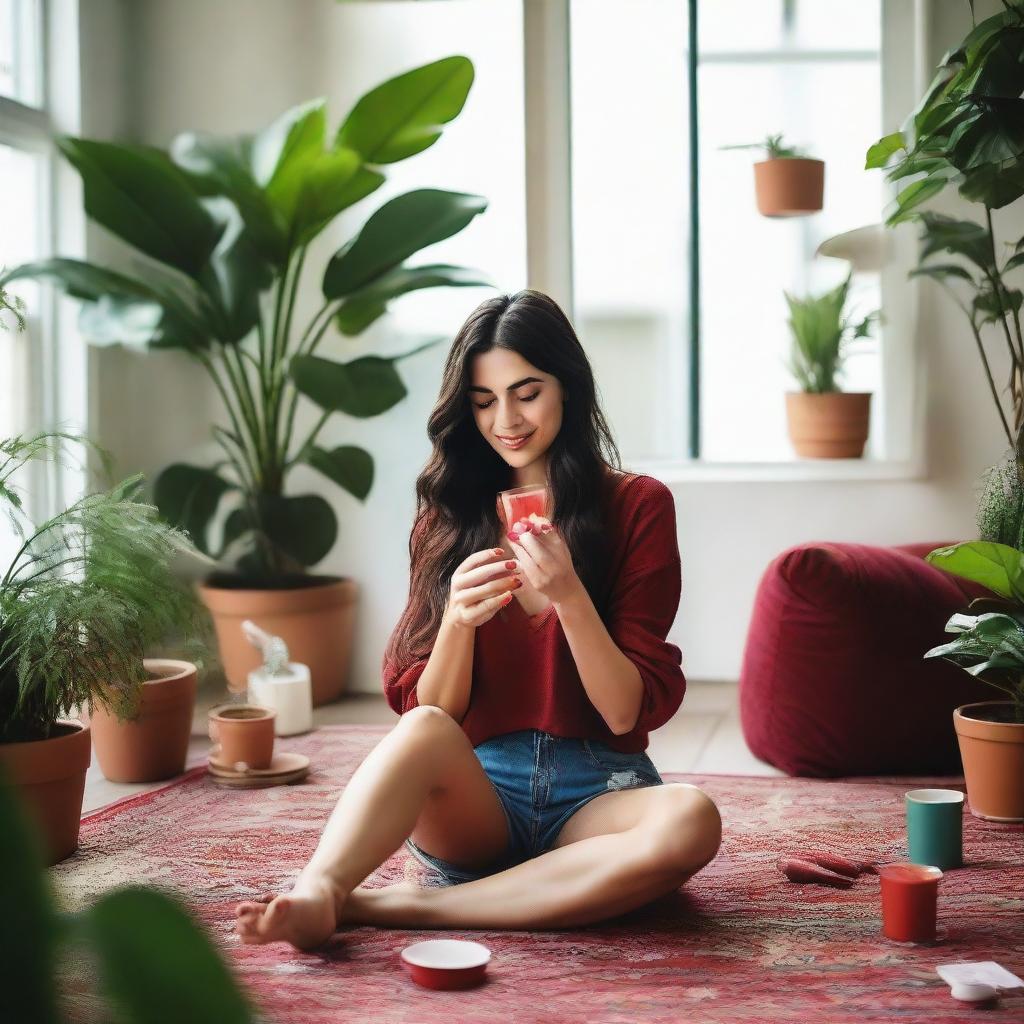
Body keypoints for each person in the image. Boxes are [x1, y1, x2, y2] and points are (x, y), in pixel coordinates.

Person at [235, 289, 722, 949]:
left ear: (568, 390)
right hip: (479, 798)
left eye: (527, 393)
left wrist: (571, 597)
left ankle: (398, 908)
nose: (506, 421)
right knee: (424, 730)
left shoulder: (636, 507)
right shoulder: (449, 516)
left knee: (692, 818)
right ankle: (321, 889)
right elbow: (429, 715)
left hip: (598, 794)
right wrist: (459, 624)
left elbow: (620, 714)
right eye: (484, 400)